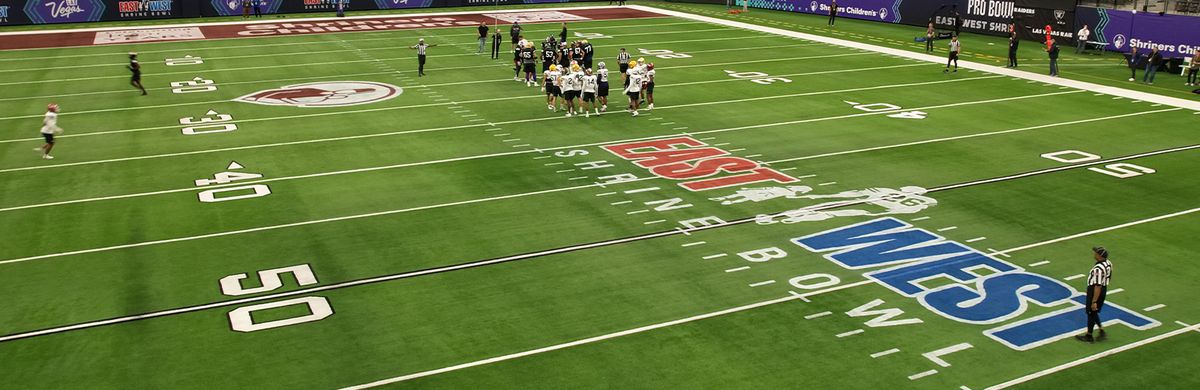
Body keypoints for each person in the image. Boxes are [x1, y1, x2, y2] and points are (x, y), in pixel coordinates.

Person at [1075, 247, 1112, 343]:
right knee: (1093, 312)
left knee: (1091, 312)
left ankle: (1090, 336)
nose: (1094, 254)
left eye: (1096, 253)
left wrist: (1094, 300)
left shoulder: (1098, 269)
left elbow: (1097, 286)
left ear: (1100, 256)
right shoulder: (1108, 263)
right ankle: (1100, 330)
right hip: (1103, 289)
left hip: (1096, 291)